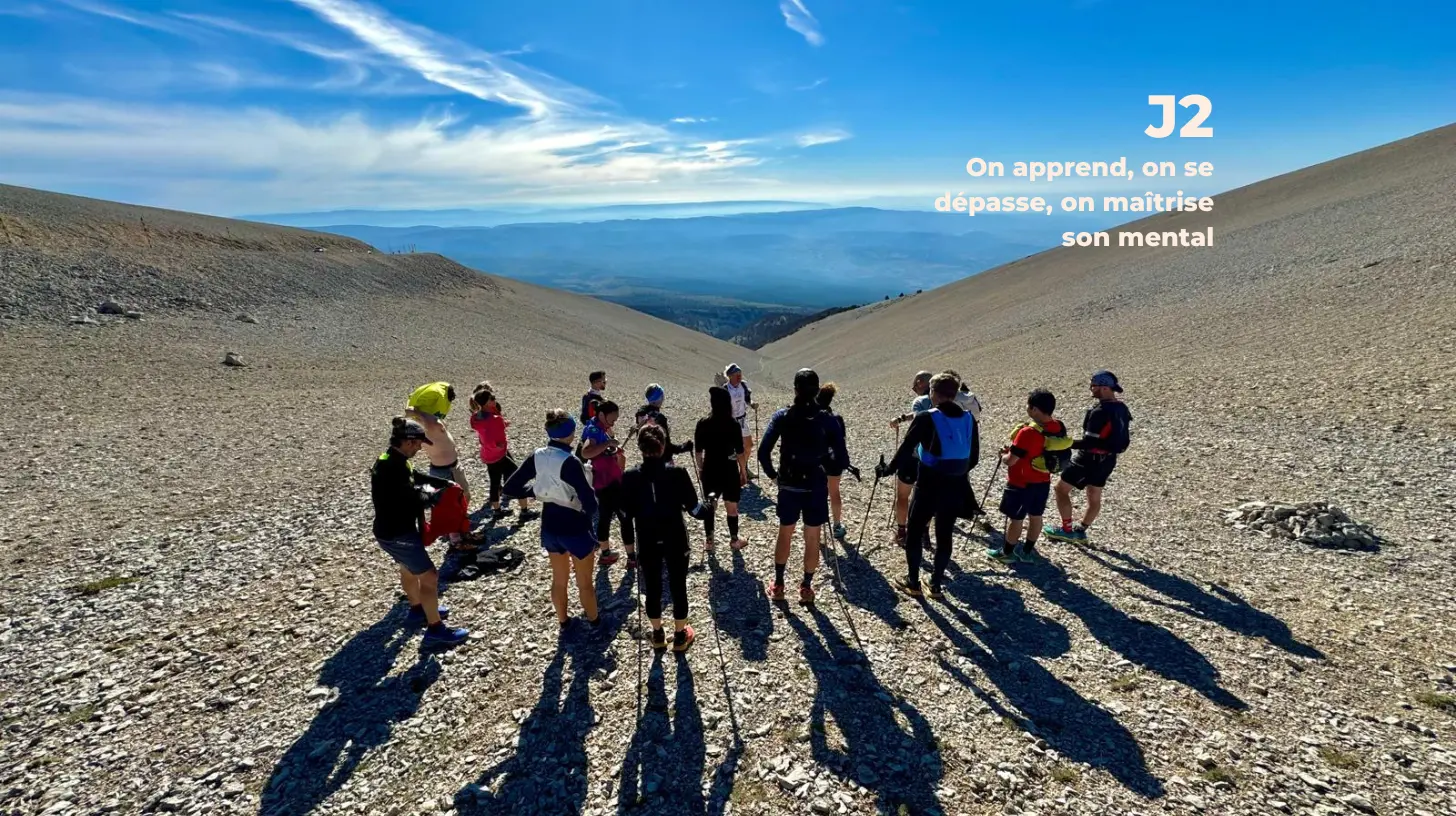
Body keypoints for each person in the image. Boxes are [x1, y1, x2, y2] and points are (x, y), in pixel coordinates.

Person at [370, 417, 470, 650]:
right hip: (398, 533)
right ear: (407, 441)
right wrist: (433, 497)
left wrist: (443, 484)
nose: (420, 448)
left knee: (408, 568)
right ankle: (435, 630)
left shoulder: (392, 458)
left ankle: (418, 609)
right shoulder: (392, 467)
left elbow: (416, 476)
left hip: (388, 532)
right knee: (430, 577)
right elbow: (412, 498)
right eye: (417, 444)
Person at [878, 372, 979, 599]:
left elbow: (906, 449)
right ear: (954, 394)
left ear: (933, 393)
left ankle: (913, 581)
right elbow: (974, 457)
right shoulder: (968, 418)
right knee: (944, 534)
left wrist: (887, 470)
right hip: (955, 485)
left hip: (928, 484)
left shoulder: (926, 417)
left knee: (914, 532)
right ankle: (935, 585)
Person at [502, 410, 603, 633]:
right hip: (574, 526)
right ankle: (594, 621)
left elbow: (510, 487)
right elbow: (590, 502)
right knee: (585, 582)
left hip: (549, 525)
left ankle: (564, 621)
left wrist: (537, 492)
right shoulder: (570, 462)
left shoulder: (537, 455)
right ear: (571, 433)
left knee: (559, 578)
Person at [757, 368, 850, 604]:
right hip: (816, 486)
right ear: (817, 390)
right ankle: (806, 588)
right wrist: (825, 464)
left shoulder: (782, 416)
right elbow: (842, 460)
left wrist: (772, 476)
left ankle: (778, 585)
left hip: (788, 484)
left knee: (785, 532)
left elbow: (763, 451)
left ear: (795, 389)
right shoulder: (828, 419)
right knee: (812, 536)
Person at [620, 425, 699, 654]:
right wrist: (709, 507)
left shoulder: (630, 477)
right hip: (675, 536)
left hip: (647, 538)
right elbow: (695, 509)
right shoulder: (678, 473)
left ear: (641, 448)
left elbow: (624, 514)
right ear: (663, 446)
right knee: (678, 585)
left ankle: (657, 634)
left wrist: (630, 551)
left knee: (652, 587)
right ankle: (680, 635)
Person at [1045, 370, 1133, 544]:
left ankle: (1067, 530)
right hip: (1109, 460)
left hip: (1088, 459)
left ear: (1105, 388)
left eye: (1094, 385)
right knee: (1094, 495)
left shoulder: (1099, 412)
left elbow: (1089, 442)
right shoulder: (1122, 407)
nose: (1091, 389)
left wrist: (1064, 443)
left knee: (1060, 489)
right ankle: (1081, 530)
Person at [987, 389, 1068, 563]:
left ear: (1035, 409)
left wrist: (1003, 455)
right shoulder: (1058, 426)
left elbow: (1011, 461)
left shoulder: (1027, 433)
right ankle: (1027, 551)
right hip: (1043, 481)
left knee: (1016, 518)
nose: (1027, 409)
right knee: (1036, 516)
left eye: (1029, 406)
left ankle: (1007, 553)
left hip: (1020, 482)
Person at [578, 400, 636, 568]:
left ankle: (605, 554)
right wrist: (609, 444)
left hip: (602, 483)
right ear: (602, 415)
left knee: (604, 517)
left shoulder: (598, 427)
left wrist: (612, 447)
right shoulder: (594, 431)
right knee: (624, 518)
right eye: (613, 418)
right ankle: (632, 557)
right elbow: (585, 452)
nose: (614, 421)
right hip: (610, 482)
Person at [469, 386, 537, 522]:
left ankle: (497, 511)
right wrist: (497, 445)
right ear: (486, 402)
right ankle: (524, 511)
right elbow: (492, 435)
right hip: (500, 455)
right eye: (492, 399)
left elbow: (487, 433)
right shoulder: (494, 419)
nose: (495, 400)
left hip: (487, 456)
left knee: (494, 483)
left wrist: (503, 425)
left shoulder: (475, 418)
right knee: (519, 478)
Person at [694, 386, 748, 551]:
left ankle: (709, 542)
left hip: (710, 468)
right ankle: (734, 541)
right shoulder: (733, 424)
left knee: (710, 504)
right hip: (729, 469)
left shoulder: (703, 423)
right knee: (731, 506)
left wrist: (701, 467)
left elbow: (698, 452)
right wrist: (743, 470)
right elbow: (740, 452)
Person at [405, 381, 471, 511]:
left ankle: (456, 524)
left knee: (457, 498)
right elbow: (413, 415)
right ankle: (455, 527)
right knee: (454, 500)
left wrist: (416, 412)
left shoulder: (426, 421)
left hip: (449, 467)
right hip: (446, 470)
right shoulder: (428, 422)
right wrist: (417, 412)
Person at [887, 370, 934, 547]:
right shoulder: (947, 402)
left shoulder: (920, 401)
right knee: (925, 497)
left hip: (914, 456)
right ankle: (924, 533)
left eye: (915, 382)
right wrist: (901, 418)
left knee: (903, 496)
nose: (913, 386)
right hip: (933, 459)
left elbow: (917, 423)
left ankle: (901, 532)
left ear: (922, 382)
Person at [816, 382, 860, 539]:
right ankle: (836, 525)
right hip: (833, 460)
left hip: (817, 460)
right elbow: (841, 442)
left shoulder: (813, 417)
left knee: (817, 492)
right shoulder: (837, 419)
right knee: (834, 491)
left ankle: (817, 527)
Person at [634, 384, 693, 460]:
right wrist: (684, 447)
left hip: (646, 459)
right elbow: (667, 446)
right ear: (660, 398)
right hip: (662, 461)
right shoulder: (660, 418)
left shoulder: (641, 415)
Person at [722, 364, 759, 479]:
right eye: (736, 374)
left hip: (742, 420)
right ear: (730, 376)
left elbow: (747, 398)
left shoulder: (743, 385)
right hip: (730, 423)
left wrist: (752, 404)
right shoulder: (725, 389)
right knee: (734, 450)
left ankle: (744, 468)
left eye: (740, 374)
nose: (739, 376)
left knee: (748, 445)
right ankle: (737, 474)